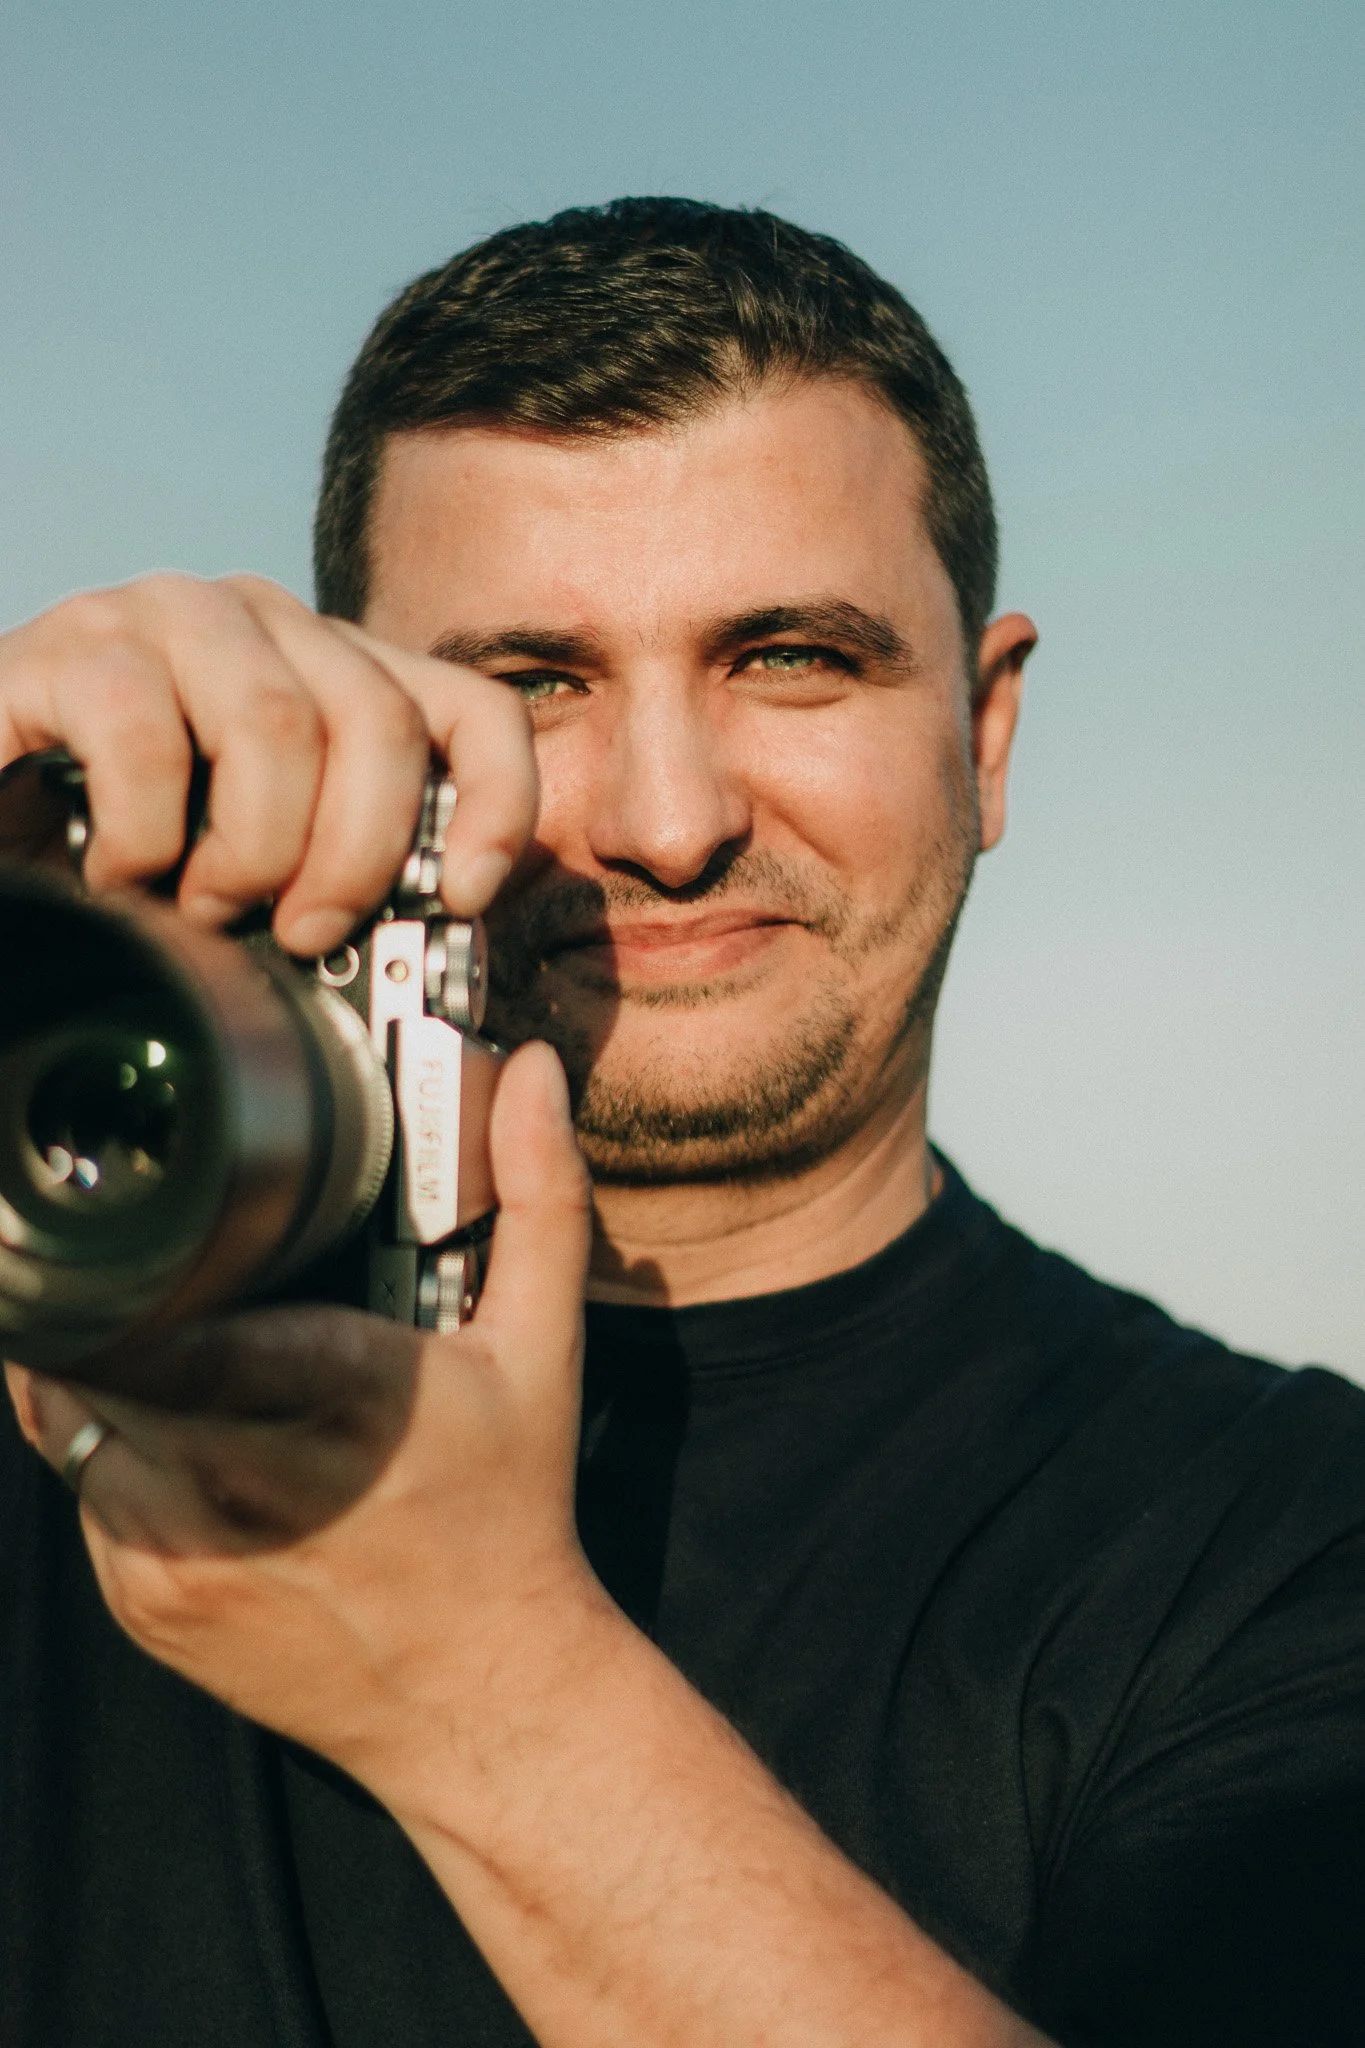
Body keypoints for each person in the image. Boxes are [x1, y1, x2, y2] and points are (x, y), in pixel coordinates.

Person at [2, 198, 1362, 2048]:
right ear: (352, 734)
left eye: (793, 656)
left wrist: (486, 1688)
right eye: (530, 686)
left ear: (988, 733)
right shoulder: (54, 1333)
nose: (664, 819)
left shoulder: (1284, 1543)